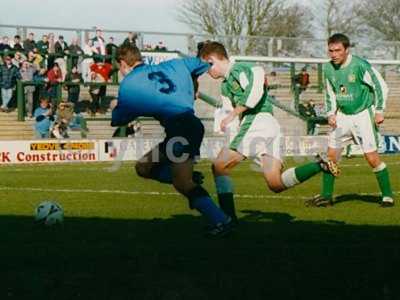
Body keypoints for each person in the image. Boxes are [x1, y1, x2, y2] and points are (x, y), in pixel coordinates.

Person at [198, 41, 339, 223]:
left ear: (211, 60)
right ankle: (320, 165)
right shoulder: (225, 86)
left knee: (219, 166)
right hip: (266, 126)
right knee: (275, 183)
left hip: (257, 121)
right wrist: (228, 124)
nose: (206, 72)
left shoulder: (240, 69)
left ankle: (227, 220)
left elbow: (254, 94)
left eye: (206, 67)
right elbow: (228, 114)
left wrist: (233, 114)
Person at [111, 44, 233, 237]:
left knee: (183, 184)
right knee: (143, 167)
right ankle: (190, 181)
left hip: (182, 128)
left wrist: (117, 106)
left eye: (119, 68)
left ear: (123, 63)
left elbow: (118, 120)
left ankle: (221, 220)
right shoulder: (175, 64)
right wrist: (191, 87)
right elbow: (205, 64)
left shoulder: (129, 84)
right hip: (184, 127)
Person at [306, 33, 395, 208]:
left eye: (337, 50)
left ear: (347, 50)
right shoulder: (328, 68)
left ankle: (387, 196)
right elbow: (330, 92)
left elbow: (381, 86)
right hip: (342, 116)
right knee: (331, 157)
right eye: (330, 51)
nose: (333, 54)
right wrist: (331, 113)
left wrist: (379, 110)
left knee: (372, 158)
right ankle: (326, 196)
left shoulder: (360, 65)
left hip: (362, 115)